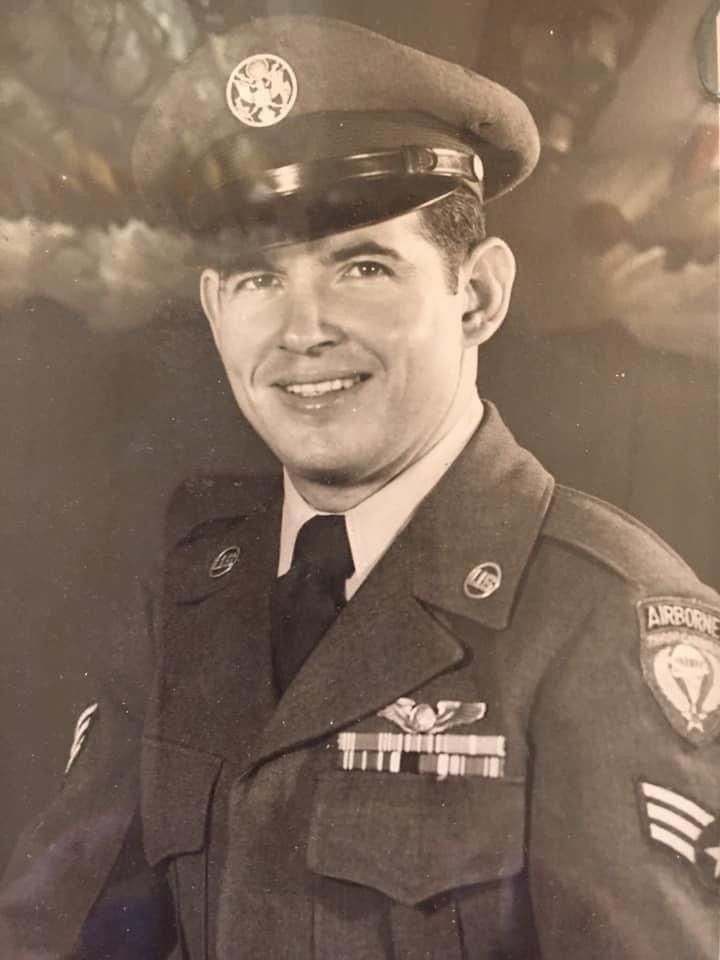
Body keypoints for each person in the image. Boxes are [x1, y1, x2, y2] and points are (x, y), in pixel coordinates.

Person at [1, 14, 718, 960]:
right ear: (217, 312)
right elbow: (54, 930)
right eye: (259, 279)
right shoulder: (191, 597)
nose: (302, 332)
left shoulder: (604, 626)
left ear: (478, 297)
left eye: (364, 266)